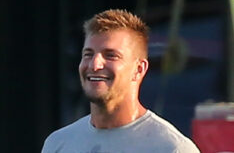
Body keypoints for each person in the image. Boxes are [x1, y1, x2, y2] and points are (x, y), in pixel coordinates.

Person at [42, 9, 200, 153]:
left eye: (110, 55)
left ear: (139, 69)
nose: (95, 65)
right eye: (88, 54)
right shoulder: (57, 144)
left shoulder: (172, 148)